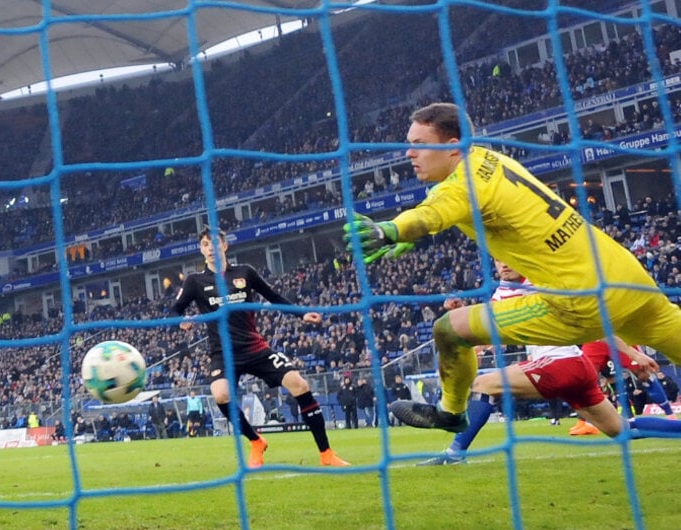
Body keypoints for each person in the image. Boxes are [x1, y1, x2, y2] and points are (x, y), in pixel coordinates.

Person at [344, 102, 681, 431]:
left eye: (419, 145)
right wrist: (413, 233)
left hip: (580, 299)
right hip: (628, 278)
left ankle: (450, 412)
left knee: (449, 330)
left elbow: (431, 212)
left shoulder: (463, 184)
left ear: (452, 147)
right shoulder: (491, 159)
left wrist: (389, 230)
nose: (409, 154)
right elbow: (445, 210)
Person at [415, 261, 681, 465]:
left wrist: (634, 354)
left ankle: (455, 452)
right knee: (621, 429)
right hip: (575, 367)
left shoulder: (541, 285)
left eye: (509, 258)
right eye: (498, 260)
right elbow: (489, 338)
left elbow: (593, 326)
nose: (504, 264)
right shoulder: (503, 293)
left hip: (558, 363)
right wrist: (461, 317)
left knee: (483, 384)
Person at [173, 227, 349, 468]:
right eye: (205, 244)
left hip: (255, 347)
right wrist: (181, 321)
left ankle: (326, 454)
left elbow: (273, 295)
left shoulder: (245, 272)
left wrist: (301, 314)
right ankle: (256, 441)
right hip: (223, 353)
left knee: (300, 385)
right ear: (201, 250)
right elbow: (175, 310)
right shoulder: (194, 281)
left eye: (214, 243)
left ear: (224, 246)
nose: (210, 248)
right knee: (221, 394)